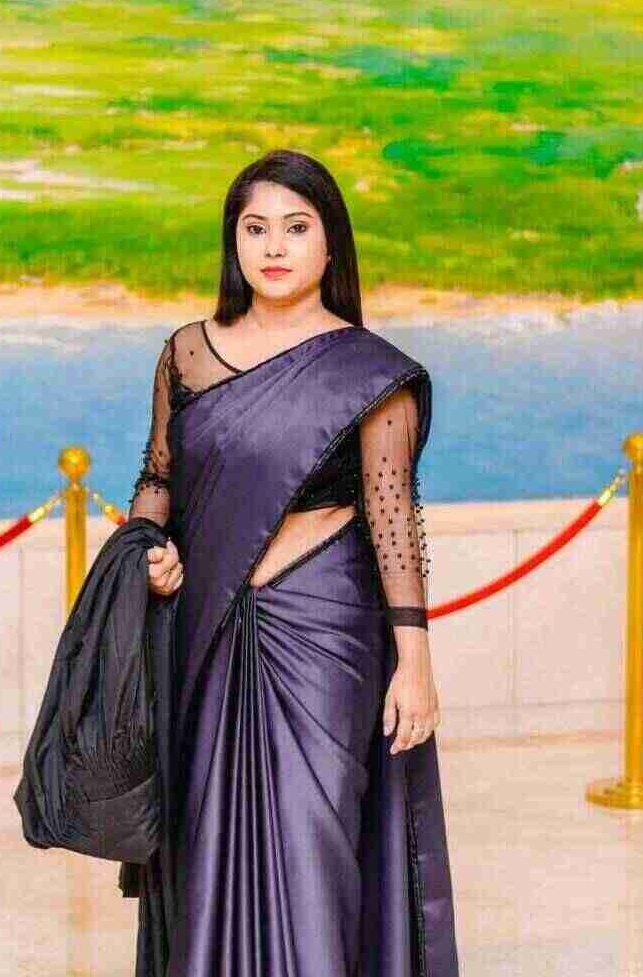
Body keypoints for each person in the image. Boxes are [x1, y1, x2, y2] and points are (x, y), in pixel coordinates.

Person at [126, 149, 460, 977]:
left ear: (330, 242)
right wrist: (146, 552)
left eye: (296, 227)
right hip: (204, 636)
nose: (274, 246)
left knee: (317, 849)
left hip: (327, 638)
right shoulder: (186, 354)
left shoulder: (368, 371)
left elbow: (393, 522)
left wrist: (415, 661)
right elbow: (159, 480)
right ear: (233, 242)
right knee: (205, 850)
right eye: (255, 228)